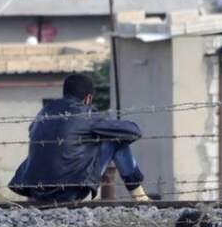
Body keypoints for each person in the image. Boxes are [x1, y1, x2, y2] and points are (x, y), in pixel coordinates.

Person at [8, 73, 150, 203]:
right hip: (69, 192)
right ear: (88, 98)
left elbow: (31, 131)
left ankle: (139, 196)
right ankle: (139, 196)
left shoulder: (44, 112)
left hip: (36, 191)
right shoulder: (86, 115)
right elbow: (134, 131)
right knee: (116, 139)